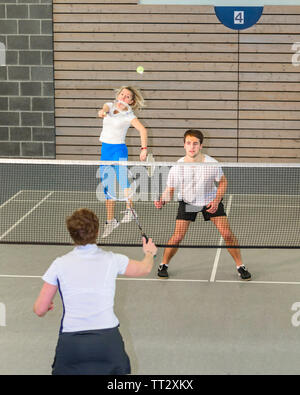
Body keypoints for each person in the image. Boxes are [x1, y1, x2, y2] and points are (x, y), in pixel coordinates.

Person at [33, 208, 157, 375]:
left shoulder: (59, 264)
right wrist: (149, 253)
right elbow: (145, 268)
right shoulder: (113, 259)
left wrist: (46, 306)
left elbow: (40, 309)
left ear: (71, 234)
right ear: (97, 231)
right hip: (107, 341)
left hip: (72, 343)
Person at [154, 129, 251, 281]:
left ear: (201, 146)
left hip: (209, 202)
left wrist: (217, 199)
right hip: (189, 203)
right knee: (178, 236)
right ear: (184, 145)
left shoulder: (212, 164)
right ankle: (163, 264)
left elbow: (223, 181)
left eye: (195, 143)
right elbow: (170, 189)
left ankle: (240, 266)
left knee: (226, 234)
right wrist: (162, 200)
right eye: (188, 143)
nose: (191, 147)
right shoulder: (177, 167)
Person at [98, 86, 148, 238]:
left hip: (118, 150)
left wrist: (144, 148)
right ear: (118, 96)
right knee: (107, 184)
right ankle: (110, 220)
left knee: (121, 178)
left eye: (128, 97)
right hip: (105, 150)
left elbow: (143, 130)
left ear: (131, 102)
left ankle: (129, 210)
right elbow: (104, 108)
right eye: (122, 94)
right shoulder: (110, 105)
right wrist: (103, 111)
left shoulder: (129, 115)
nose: (124, 98)